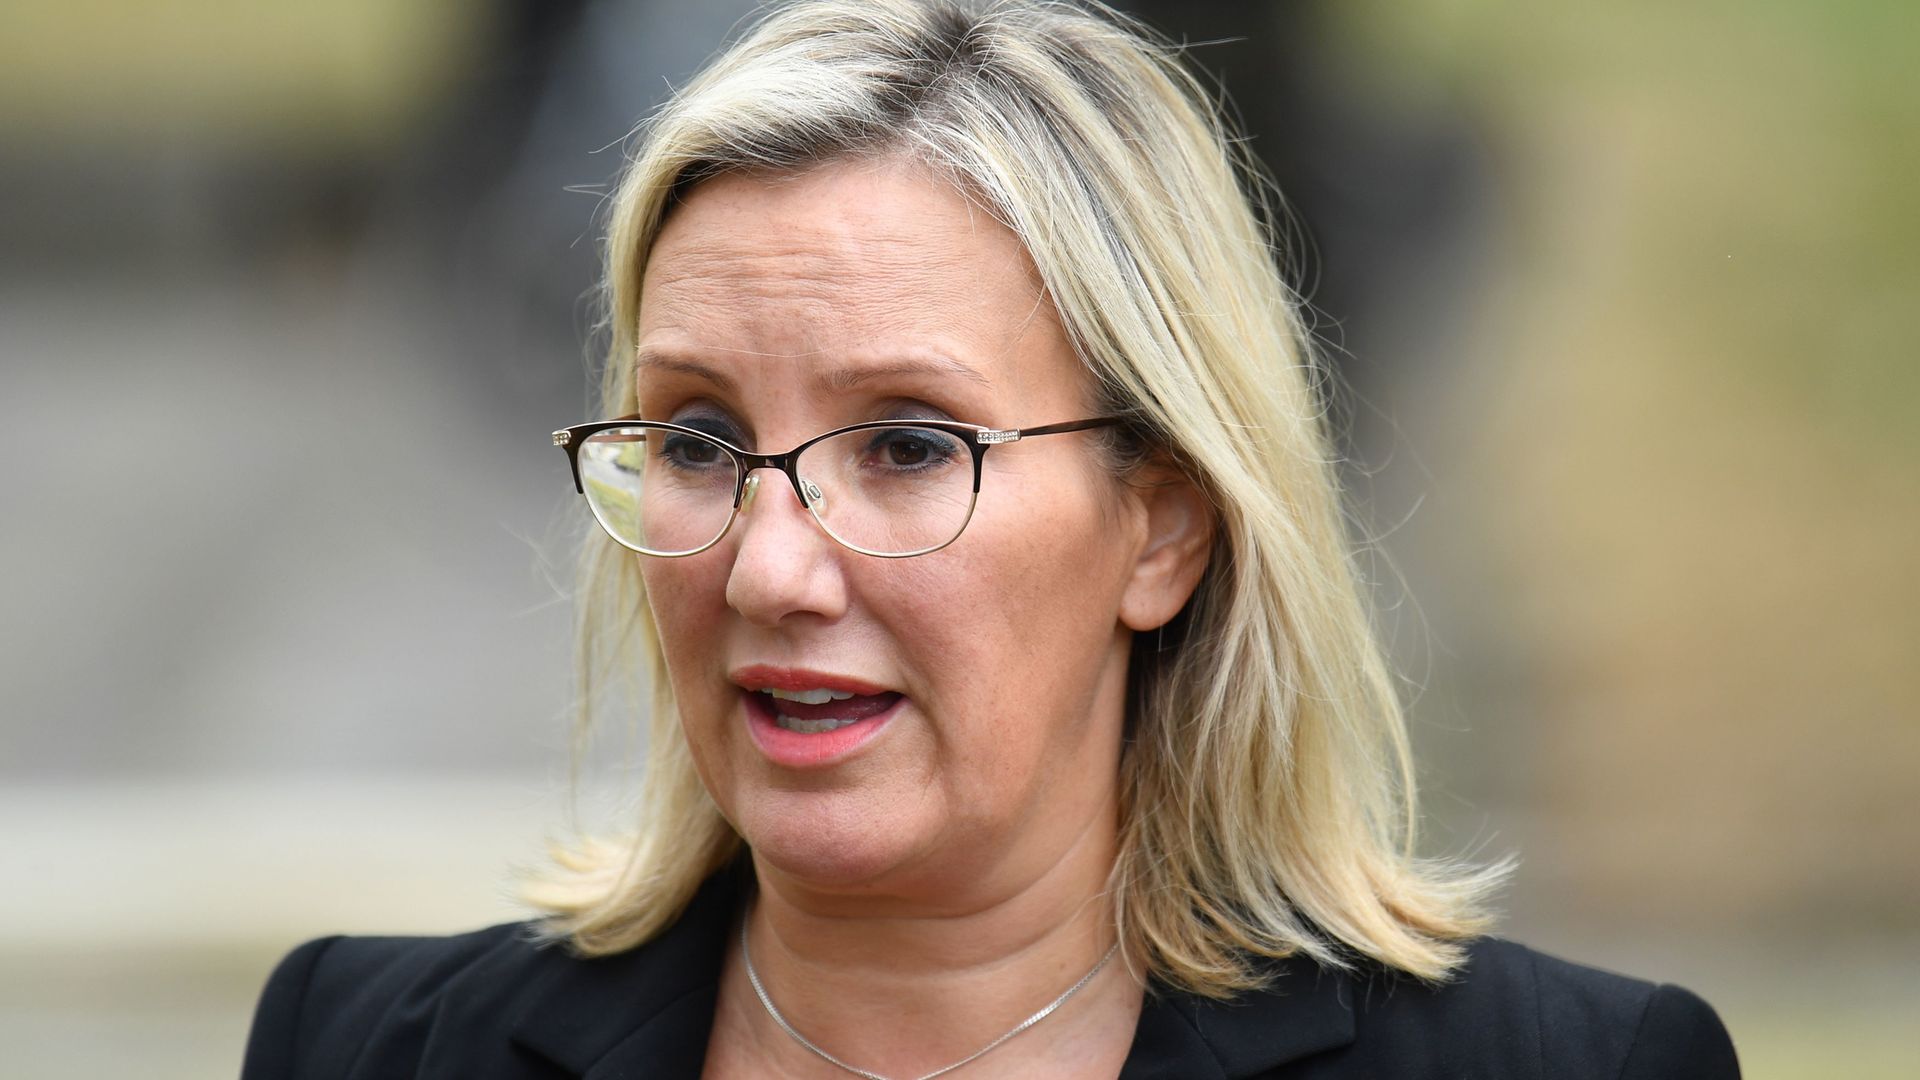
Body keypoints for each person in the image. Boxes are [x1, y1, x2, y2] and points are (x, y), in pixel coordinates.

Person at [242, 1, 1740, 1077]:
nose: (770, 568)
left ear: (1165, 522)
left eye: (907, 446)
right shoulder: (365, 1046)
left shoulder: (1569, 1065)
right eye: (697, 441)